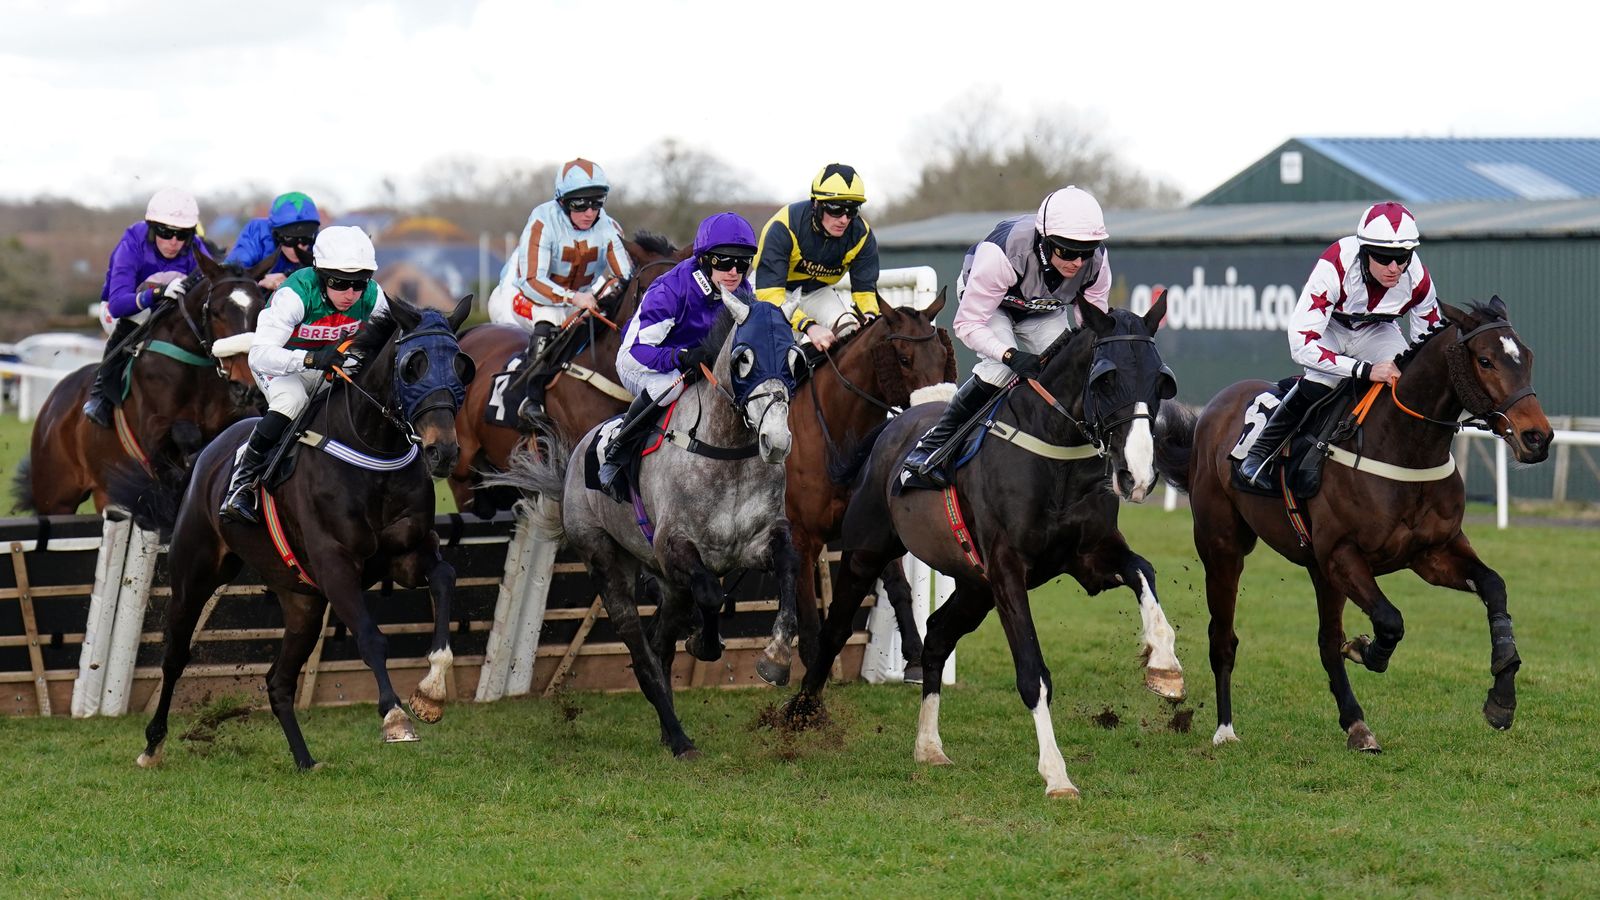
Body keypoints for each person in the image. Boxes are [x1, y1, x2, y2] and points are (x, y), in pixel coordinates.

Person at [901, 186, 1112, 489]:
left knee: (1072, 367)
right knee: (999, 371)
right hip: (992, 307)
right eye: (1067, 250)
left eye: (1085, 252)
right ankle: (930, 448)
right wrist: (1010, 356)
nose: (1077, 263)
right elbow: (967, 324)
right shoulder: (1002, 254)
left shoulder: (1098, 264)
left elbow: (1092, 327)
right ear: (1045, 241)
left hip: (1042, 310)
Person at [1238, 201, 1441, 486]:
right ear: (1365, 252)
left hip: (1376, 330)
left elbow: (1426, 345)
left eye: (1403, 256)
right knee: (1323, 380)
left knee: (1405, 380)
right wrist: (1365, 370)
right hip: (1330, 328)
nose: (1395, 268)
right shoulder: (1335, 265)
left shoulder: (1418, 279)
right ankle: (1258, 455)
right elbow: (1301, 345)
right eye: (1384, 257)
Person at [219, 226, 389, 523]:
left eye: (359, 283)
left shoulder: (373, 296)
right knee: (293, 400)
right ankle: (242, 484)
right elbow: (259, 355)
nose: (350, 294)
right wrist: (310, 358)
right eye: (339, 283)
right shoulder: (295, 294)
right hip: (279, 368)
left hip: (331, 368)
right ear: (320, 274)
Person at [597, 212, 759, 501]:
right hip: (643, 361)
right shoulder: (670, 289)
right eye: (724, 261)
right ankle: (617, 454)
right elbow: (638, 349)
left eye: (742, 262)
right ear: (705, 259)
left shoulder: (744, 290)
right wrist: (680, 356)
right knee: (669, 388)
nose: (734, 271)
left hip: (699, 364)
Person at [488, 158, 632, 424]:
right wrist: (574, 297)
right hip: (521, 294)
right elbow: (531, 281)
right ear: (562, 202)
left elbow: (628, 278)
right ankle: (529, 397)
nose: (590, 212)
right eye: (580, 204)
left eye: (597, 202)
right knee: (550, 318)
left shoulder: (609, 229)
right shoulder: (542, 222)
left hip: (573, 298)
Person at [82, 188, 211, 428]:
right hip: (121, 310)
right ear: (152, 229)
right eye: (166, 233)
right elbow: (119, 304)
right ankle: (101, 395)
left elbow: (211, 279)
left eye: (182, 235)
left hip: (170, 308)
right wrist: (158, 293)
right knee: (140, 316)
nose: (174, 242)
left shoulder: (194, 247)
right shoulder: (132, 243)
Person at [754, 163, 880, 352]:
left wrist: (869, 317)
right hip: (774, 290)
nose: (844, 219)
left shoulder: (862, 235)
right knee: (783, 344)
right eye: (836, 209)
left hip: (818, 292)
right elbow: (771, 295)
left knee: (850, 334)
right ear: (816, 204)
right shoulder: (784, 226)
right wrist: (808, 325)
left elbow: (865, 293)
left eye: (852, 210)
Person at [224, 191, 321, 291]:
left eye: (307, 238)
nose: (300, 246)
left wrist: (289, 277)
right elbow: (228, 274)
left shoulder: (321, 242)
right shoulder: (258, 233)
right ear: (275, 233)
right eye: (291, 239)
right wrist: (260, 279)